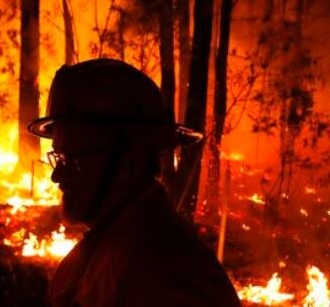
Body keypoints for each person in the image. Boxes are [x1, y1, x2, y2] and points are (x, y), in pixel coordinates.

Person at [27, 59, 242, 307]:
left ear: (131, 157)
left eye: (74, 157)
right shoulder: (112, 248)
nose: (57, 176)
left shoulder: (168, 269)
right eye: (59, 156)